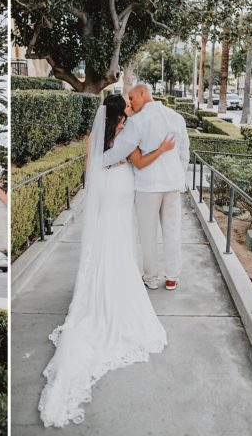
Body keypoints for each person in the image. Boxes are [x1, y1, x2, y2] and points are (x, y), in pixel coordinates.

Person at [37, 94, 175, 428]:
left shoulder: (96, 137)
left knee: (105, 241)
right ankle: (119, 291)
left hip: (106, 191)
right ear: (119, 113)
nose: (130, 108)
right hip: (122, 188)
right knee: (121, 242)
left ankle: (100, 288)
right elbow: (139, 162)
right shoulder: (129, 133)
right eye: (126, 106)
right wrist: (163, 151)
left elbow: (91, 168)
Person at [103, 84, 191, 290]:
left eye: (132, 98)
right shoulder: (176, 118)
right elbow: (184, 152)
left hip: (148, 185)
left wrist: (97, 160)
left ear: (143, 93)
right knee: (172, 231)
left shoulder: (137, 122)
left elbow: (120, 150)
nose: (130, 103)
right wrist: (178, 175)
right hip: (172, 184)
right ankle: (172, 277)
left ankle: (151, 278)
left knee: (147, 233)